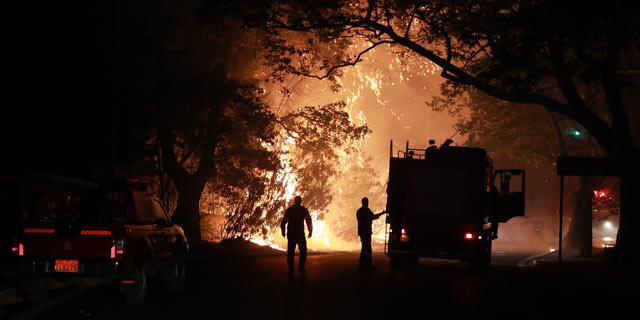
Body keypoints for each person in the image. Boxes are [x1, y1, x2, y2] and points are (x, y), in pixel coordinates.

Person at [281, 196, 313, 275]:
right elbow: (308, 221)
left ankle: (291, 267)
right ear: (300, 201)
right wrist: (310, 231)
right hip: (299, 233)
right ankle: (301, 267)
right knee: (303, 250)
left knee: (291, 251)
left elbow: (283, 221)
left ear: (294, 201)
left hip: (291, 233)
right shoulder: (303, 210)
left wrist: (283, 231)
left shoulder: (290, 209)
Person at [356, 197, 386, 271]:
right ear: (366, 202)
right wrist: (382, 213)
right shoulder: (366, 210)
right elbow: (372, 217)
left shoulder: (359, 211)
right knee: (368, 249)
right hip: (366, 232)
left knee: (364, 248)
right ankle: (367, 265)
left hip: (362, 232)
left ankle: (362, 264)